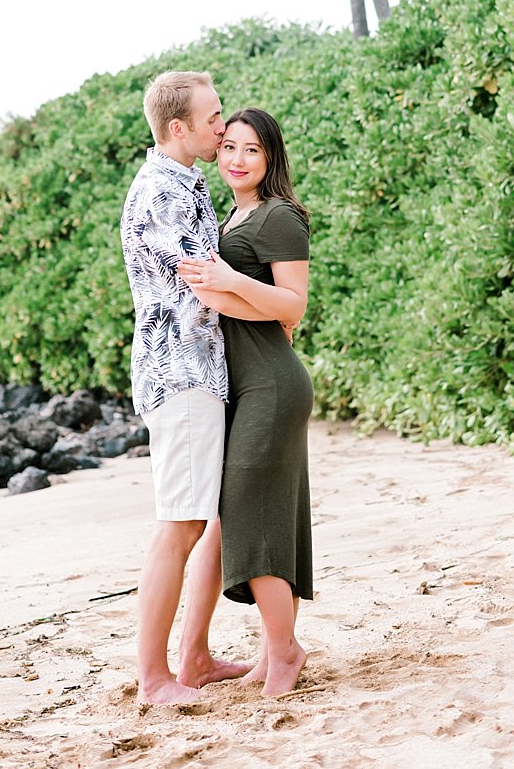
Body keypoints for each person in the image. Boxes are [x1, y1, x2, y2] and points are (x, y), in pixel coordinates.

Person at [119, 69, 250, 704]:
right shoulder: (163, 192)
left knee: (212, 518)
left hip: (199, 368)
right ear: (179, 128)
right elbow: (203, 280)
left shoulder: (183, 184)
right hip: (182, 372)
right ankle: (153, 678)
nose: (222, 128)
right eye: (211, 119)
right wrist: (279, 303)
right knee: (180, 523)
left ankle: (193, 656)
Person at [179, 106, 314, 700]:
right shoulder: (232, 213)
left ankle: (285, 652)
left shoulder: (280, 217)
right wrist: (226, 296)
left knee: (253, 520)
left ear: (270, 157)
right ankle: (267, 650)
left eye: (251, 150)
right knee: (253, 518)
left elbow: (293, 307)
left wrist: (228, 284)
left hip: (271, 387)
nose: (236, 159)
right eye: (229, 146)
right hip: (243, 385)